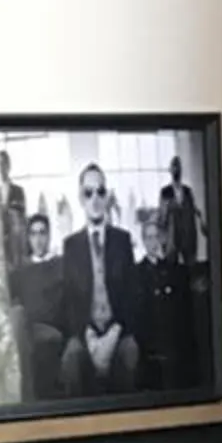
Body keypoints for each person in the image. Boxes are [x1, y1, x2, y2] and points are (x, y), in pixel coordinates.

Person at [57, 163, 143, 395]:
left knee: (130, 353)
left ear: (107, 197)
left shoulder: (122, 240)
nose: (95, 198)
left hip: (118, 330)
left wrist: (114, 333)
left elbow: (132, 295)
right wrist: (88, 335)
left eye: (101, 191)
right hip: (85, 333)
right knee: (71, 359)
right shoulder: (71, 245)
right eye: (88, 192)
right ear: (80, 199)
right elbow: (68, 301)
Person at [11, 199, 66, 399]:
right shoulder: (21, 270)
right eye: (33, 234)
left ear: (49, 236)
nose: (38, 239)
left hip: (51, 329)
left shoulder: (59, 265)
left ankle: (31, 397)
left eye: (42, 233)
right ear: (28, 238)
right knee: (17, 317)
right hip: (27, 330)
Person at [161, 152, 204, 264]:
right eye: (174, 166)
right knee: (172, 269)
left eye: (178, 166)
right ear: (170, 170)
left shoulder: (187, 190)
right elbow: (163, 215)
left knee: (189, 268)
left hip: (187, 237)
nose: (176, 169)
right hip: (172, 239)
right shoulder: (165, 192)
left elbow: (193, 210)